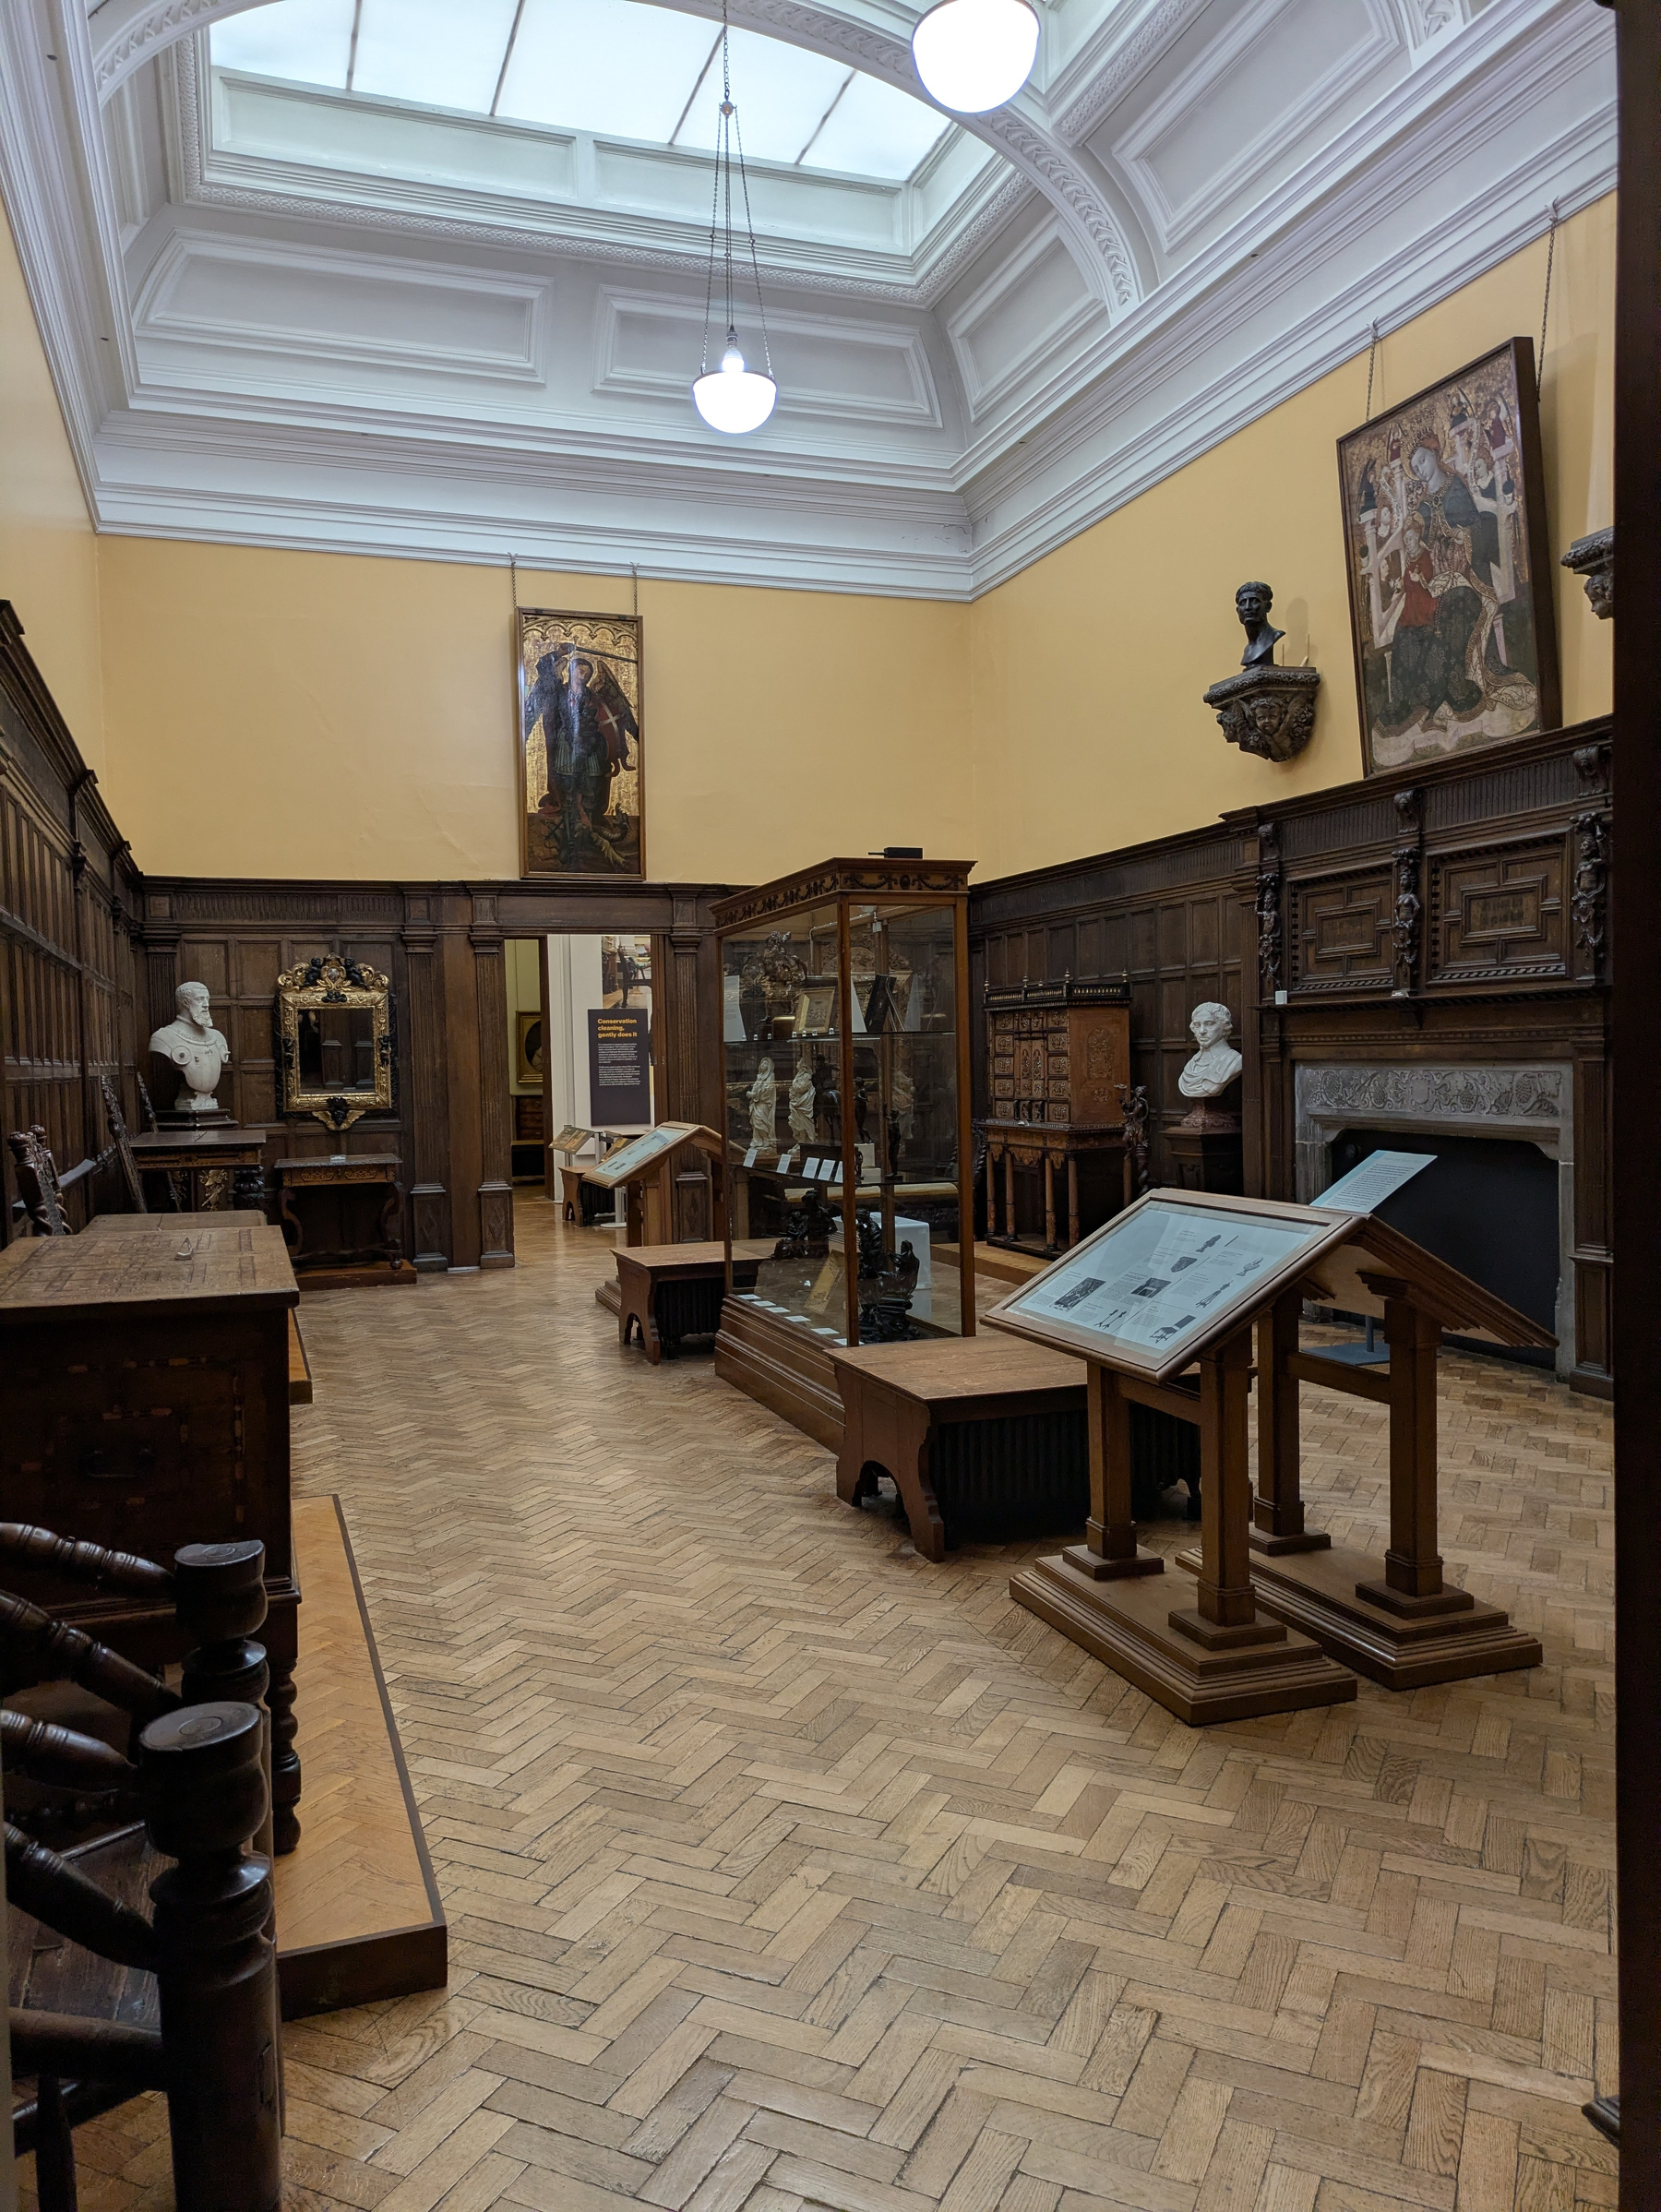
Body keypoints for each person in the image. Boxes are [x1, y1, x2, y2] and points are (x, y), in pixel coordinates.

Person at [525, 647, 639, 868]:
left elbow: (613, 715)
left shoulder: (594, 696)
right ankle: (569, 842)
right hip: (566, 751)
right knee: (568, 796)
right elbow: (543, 669)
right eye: (579, 670)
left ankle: (586, 836)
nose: (583, 674)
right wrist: (558, 653)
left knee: (590, 793)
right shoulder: (558, 691)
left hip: (592, 752)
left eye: (586, 672)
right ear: (571, 671)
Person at [149, 980, 231, 1114]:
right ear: (185, 1003)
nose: (206, 1005)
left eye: (207, 999)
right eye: (200, 999)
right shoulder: (164, 1037)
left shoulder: (218, 1037)